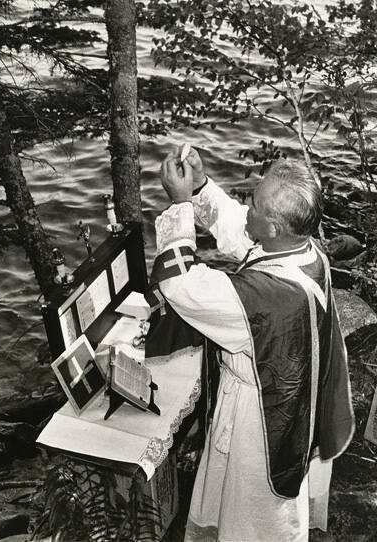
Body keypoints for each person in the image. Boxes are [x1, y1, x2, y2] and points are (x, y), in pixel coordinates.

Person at [149, 149, 354, 542]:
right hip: (294, 401)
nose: (247, 205)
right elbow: (242, 232)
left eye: (255, 203)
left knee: (248, 517)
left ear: (276, 227)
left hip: (257, 418)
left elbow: (180, 286)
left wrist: (180, 205)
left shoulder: (266, 297)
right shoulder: (306, 253)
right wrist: (200, 188)